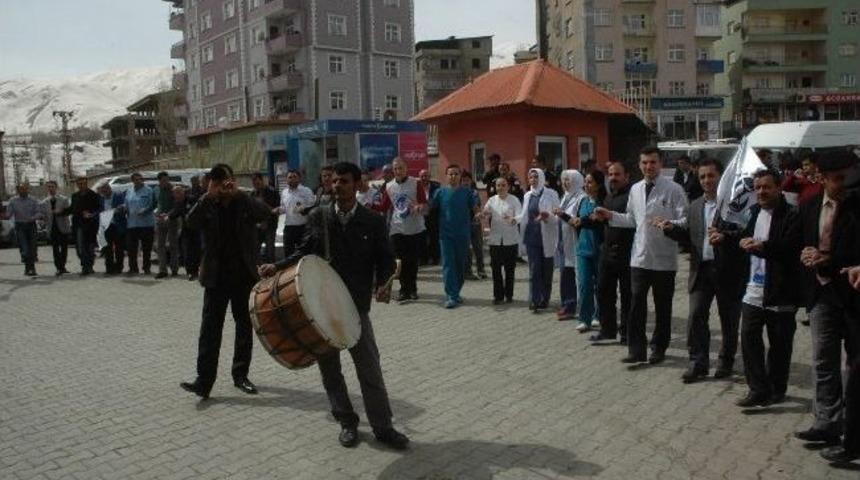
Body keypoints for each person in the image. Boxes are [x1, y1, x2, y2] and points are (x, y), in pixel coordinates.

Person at [259, 161, 410, 451]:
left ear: (357, 184)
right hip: (320, 306)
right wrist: (276, 267)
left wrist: (384, 282)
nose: (337, 185)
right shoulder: (319, 216)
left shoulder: (372, 221)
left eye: (344, 181)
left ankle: (383, 428)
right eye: (335, 181)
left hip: (356, 306)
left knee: (369, 370)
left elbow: (385, 259)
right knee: (330, 371)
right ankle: (346, 422)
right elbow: (304, 251)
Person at [180, 164, 271, 400]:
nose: (223, 185)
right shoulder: (208, 203)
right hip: (216, 276)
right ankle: (204, 381)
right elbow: (190, 223)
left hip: (244, 275)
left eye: (226, 179)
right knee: (210, 329)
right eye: (218, 181)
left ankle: (240, 375)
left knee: (244, 327)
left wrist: (240, 194)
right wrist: (207, 197)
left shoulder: (244, 200)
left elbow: (265, 213)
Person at [594, 146, 688, 365]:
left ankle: (659, 348)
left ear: (660, 163)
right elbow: (631, 219)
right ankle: (636, 350)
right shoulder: (636, 189)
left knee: (662, 306)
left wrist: (669, 224)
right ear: (639, 165)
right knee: (636, 304)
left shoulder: (674, 189)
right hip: (639, 257)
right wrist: (610, 215)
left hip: (664, 259)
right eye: (644, 162)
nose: (648, 166)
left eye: (653, 162)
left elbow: (685, 220)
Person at [656, 158, 746, 383]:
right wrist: (670, 229)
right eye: (703, 176)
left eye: (711, 176)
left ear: (720, 177)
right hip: (701, 270)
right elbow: (689, 237)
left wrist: (725, 238)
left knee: (729, 320)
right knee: (696, 316)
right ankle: (698, 362)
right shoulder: (695, 205)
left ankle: (725, 362)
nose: (707, 180)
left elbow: (746, 234)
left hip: (727, 271)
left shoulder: (734, 205)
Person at [794, 151, 860, 447]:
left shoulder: (856, 206)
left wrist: (828, 259)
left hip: (853, 295)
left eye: (847, 177)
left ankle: (852, 424)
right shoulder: (808, 205)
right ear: (821, 178)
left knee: (854, 364)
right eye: (837, 179)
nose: (844, 184)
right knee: (823, 360)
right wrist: (806, 254)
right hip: (820, 294)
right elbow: (797, 242)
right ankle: (826, 423)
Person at [722, 169, 802, 407]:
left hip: (781, 292)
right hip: (753, 291)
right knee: (748, 339)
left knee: (780, 345)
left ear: (778, 188)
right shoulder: (754, 211)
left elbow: (789, 247)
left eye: (766, 187)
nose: (761, 192)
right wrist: (725, 237)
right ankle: (757, 389)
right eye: (757, 188)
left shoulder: (792, 214)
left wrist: (762, 247)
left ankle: (777, 389)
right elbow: (742, 235)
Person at [591, 162, 634, 344]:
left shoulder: (632, 196)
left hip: (627, 253)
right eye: (610, 174)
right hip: (607, 252)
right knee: (603, 291)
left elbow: (633, 221)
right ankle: (607, 329)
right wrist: (599, 218)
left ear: (626, 176)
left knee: (627, 295)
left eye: (617, 174)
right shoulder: (609, 197)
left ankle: (627, 333)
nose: (613, 178)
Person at [378, 158, 427, 302]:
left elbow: (424, 203)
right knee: (400, 261)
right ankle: (403, 290)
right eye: (395, 169)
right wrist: (370, 206)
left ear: (406, 169)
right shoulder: (389, 186)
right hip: (397, 228)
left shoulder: (415, 183)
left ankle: (413, 289)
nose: (398, 171)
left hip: (415, 228)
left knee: (412, 261)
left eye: (401, 168)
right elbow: (383, 207)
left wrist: (419, 207)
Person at [430, 164, 479, 308]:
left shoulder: (467, 192)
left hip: (463, 234)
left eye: (456, 174)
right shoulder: (440, 192)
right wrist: (419, 208)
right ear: (446, 176)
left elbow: (475, 208)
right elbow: (430, 208)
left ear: (460, 176)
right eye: (450, 174)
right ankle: (451, 295)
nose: (453, 176)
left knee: (460, 265)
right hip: (445, 235)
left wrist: (478, 214)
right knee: (448, 264)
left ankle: (456, 292)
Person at [519, 168, 560, 312]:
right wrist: (514, 219)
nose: (533, 180)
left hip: (547, 237)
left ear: (541, 178)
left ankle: (545, 298)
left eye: (536, 177)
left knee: (547, 271)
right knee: (534, 270)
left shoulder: (552, 193)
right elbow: (523, 216)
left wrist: (547, 216)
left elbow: (558, 215)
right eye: (530, 177)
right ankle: (534, 300)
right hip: (532, 237)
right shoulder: (527, 195)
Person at [571, 171, 607, 332]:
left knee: (601, 285)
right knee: (584, 285)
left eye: (590, 182)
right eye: (585, 182)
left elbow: (596, 221)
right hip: (583, 250)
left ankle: (598, 315)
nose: (586, 185)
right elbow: (578, 222)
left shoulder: (605, 202)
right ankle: (584, 318)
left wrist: (583, 221)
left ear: (598, 185)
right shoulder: (582, 201)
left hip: (600, 250)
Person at [483, 176, 522, 304]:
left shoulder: (514, 200)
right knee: (496, 270)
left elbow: (521, 215)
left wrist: (514, 219)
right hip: (495, 240)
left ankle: (509, 295)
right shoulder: (492, 200)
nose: (500, 188)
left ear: (508, 187)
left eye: (503, 185)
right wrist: (483, 214)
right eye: (498, 185)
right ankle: (498, 296)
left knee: (509, 270)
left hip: (510, 240)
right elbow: (486, 212)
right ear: (495, 187)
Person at [554, 169, 585, 321]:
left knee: (572, 274)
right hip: (563, 241)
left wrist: (562, 214)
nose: (565, 183)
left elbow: (578, 221)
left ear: (577, 181)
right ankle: (566, 304)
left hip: (574, 241)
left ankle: (572, 306)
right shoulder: (565, 197)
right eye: (564, 180)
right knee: (565, 274)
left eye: (568, 180)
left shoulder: (581, 198)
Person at [63, 177, 101, 276]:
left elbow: (98, 209)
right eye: (79, 184)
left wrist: (91, 214)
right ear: (77, 185)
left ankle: (89, 266)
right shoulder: (75, 196)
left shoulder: (93, 195)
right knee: (80, 247)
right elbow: (72, 209)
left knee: (90, 247)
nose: (81, 186)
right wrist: (60, 212)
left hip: (91, 225)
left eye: (83, 183)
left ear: (86, 184)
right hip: (78, 225)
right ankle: (85, 265)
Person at [2, 183, 41, 276]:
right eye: (21, 189)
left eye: (25, 189)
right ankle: (29, 268)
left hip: (31, 225)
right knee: (24, 248)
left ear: (28, 189)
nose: (23, 191)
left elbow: (39, 212)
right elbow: (9, 214)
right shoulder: (13, 201)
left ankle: (31, 268)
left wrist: (33, 218)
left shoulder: (33, 200)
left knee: (32, 247)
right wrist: (4, 215)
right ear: (18, 190)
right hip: (20, 226)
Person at [277, 169, 315, 259]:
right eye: (290, 177)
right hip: (289, 227)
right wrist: (279, 210)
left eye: (295, 177)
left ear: (299, 178)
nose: (292, 179)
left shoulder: (306, 191)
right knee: (288, 253)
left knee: (303, 254)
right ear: (286, 179)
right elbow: (283, 207)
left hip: (303, 227)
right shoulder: (284, 192)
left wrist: (303, 208)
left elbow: (312, 206)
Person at [123, 172, 156, 275]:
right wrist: (124, 209)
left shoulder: (149, 190)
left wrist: (145, 210)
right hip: (132, 224)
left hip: (146, 224)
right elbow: (126, 204)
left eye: (140, 179)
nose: (138, 181)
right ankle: (133, 268)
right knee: (131, 248)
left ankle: (146, 268)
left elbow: (153, 204)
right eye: (136, 180)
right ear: (132, 181)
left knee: (146, 249)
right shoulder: (129, 191)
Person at [41, 180, 71, 276]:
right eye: (49, 187)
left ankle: (63, 266)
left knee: (64, 248)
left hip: (63, 226)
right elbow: (43, 215)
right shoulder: (44, 202)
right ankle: (58, 267)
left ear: (56, 187)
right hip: (52, 227)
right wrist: (42, 220)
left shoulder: (64, 199)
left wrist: (60, 212)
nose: (50, 188)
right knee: (55, 248)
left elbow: (68, 211)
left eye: (52, 186)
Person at [154, 172, 180, 278]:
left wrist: (168, 215)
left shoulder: (173, 189)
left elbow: (177, 206)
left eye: (167, 179)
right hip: (160, 220)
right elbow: (155, 203)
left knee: (173, 245)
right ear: (159, 180)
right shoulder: (156, 189)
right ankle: (162, 270)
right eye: (163, 180)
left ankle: (174, 269)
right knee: (160, 245)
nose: (166, 182)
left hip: (171, 220)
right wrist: (156, 212)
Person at [98, 183, 127, 275]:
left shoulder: (118, 195)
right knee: (107, 248)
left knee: (119, 248)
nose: (104, 193)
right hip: (106, 225)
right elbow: (100, 210)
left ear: (109, 189)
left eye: (106, 190)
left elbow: (124, 206)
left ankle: (119, 267)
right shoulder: (101, 199)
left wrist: (118, 209)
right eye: (103, 191)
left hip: (117, 225)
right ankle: (109, 268)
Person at [461, 171, 486, 280]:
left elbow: (476, 206)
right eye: (463, 180)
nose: (465, 182)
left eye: (467, 180)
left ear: (471, 181)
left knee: (478, 247)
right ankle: (467, 271)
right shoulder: (458, 193)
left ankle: (481, 270)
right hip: (463, 224)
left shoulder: (474, 193)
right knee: (466, 249)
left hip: (474, 223)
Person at [251, 173, 280, 264]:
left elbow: (277, 209)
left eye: (257, 183)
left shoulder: (272, 192)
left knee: (270, 251)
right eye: (254, 184)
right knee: (255, 249)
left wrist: (263, 205)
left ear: (262, 180)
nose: (256, 185)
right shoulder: (253, 194)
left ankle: (272, 268)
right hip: (257, 226)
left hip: (270, 226)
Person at [418, 169, 441, 265]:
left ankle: (435, 258)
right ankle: (423, 259)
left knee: (434, 238)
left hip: (433, 216)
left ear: (429, 177)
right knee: (421, 238)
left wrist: (429, 205)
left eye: (426, 176)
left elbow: (438, 200)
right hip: (420, 216)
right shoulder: (416, 187)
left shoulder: (436, 187)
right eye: (422, 176)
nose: (424, 178)